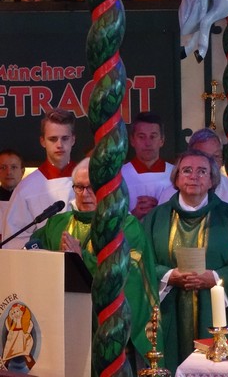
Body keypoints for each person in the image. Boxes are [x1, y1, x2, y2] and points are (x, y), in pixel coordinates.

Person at [27, 157, 161, 367]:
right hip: (64, 323)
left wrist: (82, 259)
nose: (85, 194)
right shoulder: (58, 223)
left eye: (92, 187)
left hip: (107, 328)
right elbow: (34, 250)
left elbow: (129, 273)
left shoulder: (125, 225)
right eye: (79, 187)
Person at [143, 149, 228, 373]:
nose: (193, 176)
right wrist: (168, 276)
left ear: (212, 180)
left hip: (216, 314)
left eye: (202, 171)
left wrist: (215, 278)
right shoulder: (156, 218)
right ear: (176, 178)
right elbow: (140, 260)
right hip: (168, 312)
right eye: (186, 170)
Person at [158, 128, 228, 255]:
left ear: (222, 160)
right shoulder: (169, 195)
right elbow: (158, 236)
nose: (211, 163)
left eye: (216, 157)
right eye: (203, 157)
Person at [2, 108, 77, 248]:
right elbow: (15, 241)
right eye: (53, 139)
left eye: (65, 138)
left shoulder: (89, 180)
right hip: (44, 265)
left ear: (73, 139)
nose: (59, 145)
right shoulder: (26, 189)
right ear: (43, 141)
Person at [121, 112, 174, 220]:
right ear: (132, 140)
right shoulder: (121, 175)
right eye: (141, 137)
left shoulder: (175, 174)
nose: (147, 143)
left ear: (162, 140)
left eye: (153, 137)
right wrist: (133, 215)